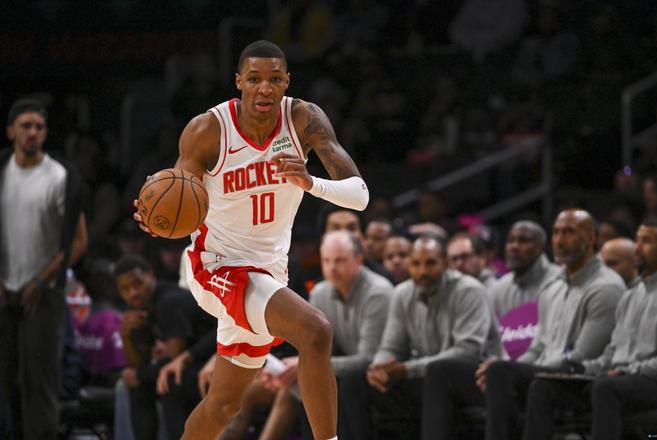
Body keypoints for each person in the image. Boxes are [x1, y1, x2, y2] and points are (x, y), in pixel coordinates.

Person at [134, 40, 369, 440]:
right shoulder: (208, 131)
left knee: (224, 405)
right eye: (255, 78)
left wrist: (310, 182)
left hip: (269, 273)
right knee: (315, 331)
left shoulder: (304, 119)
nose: (264, 88)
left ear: (286, 82)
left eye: (274, 79)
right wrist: (157, 217)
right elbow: (179, 195)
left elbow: (359, 195)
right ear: (239, 81)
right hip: (216, 266)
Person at [481, 209, 625, 440]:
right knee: (478, 370)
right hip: (547, 373)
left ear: (591, 238)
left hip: (580, 380)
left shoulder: (606, 287)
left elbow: (580, 357)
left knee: (502, 373)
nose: (559, 240)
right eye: (556, 232)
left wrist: (516, 372)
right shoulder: (553, 287)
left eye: (569, 232)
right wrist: (515, 368)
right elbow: (538, 347)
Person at [340, 235, 497, 440]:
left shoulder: (469, 291)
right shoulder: (402, 293)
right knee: (354, 380)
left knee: (439, 372)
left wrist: (407, 369)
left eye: (430, 263)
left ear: (445, 263)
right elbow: (392, 347)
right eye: (416, 264)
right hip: (426, 379)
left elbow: (468, 352)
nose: (423, 271)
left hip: (475, 380)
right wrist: (379, 368)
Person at [421, 220, 560, 440]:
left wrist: (507, 366)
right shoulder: (498, 288)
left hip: (538, 371)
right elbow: (493, 342)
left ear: (542, 247)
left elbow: (547, 345)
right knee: (441, 370)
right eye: (511, 241)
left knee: (499, 372)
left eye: (523, 241)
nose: (514, 246)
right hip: (501, 370)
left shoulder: (557, 283)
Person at [524, 219, 657, 440]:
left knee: (606, 388)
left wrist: (628, 371)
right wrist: (580, 368)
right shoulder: (630, 296)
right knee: (545, 385)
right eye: (637, 240)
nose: (637, 248)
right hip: (617, 380)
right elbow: (612, 352)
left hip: (650, 381)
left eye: (647, 241)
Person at [0, 98, 87, 439]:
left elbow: (78, 241)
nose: (33, 132)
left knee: (40, 387)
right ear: (11, 131)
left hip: (44, 293)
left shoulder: (60, 176)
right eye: (26, 126)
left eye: (39, 127)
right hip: (3, 287)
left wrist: (40, 280)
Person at [276, 230, 392, 439]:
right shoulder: (320, 292)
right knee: (304, 381)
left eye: (339, 260)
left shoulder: (378, 293)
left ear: (359, 260)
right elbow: (313, 347)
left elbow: (369, 359)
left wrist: (309, 366)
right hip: (348, 370)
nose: (332, 268)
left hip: (383, 375)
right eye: (326, 260)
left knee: (349, 381)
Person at [115, 255, 216, 440]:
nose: (133, 293)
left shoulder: (168, 302)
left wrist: (139, 375)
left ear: (151, 275)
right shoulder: (139, 309)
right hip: (193, 361)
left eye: (137, 284)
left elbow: (174, 361)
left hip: (217, 358)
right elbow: (139, 363)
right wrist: (125, 335)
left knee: (170, 381)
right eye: (125, 289)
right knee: (136, 387)